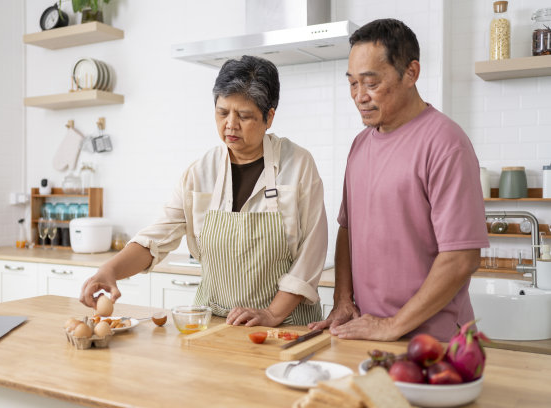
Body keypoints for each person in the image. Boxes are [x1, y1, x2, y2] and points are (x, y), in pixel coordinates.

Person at [80, 55, 328, 326]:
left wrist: (272, 314)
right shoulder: (201, 172)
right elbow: (156, 238)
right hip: (217, 322)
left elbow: (312, 252)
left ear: (269, 116)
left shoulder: (297, 164)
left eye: (243, 116)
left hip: (285, 325)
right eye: (222, 113)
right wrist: (110, 270)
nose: (230, 125)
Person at [308, 19, 488, 342]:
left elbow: (462, 258)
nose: (359, 96)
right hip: (367, 334)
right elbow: (347, 230)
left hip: (435, 341)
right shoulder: (360, 146)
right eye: (352, 84)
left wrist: (392, 325)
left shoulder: (446, 144)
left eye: (371, 83)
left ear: (411, 73)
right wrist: (342, 300)